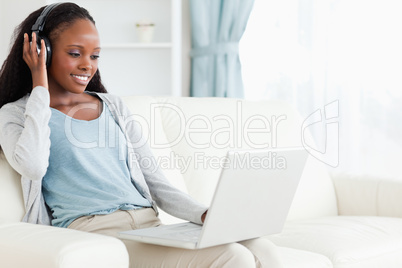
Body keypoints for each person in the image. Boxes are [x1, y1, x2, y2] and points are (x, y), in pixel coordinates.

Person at [0, 3, 283, 267]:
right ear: (41, 50)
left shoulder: (114, 106)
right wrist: (40, 87)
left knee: (262, 248)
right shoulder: (17, 114)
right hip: (97, 235)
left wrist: (205, 214)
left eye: (95, 55)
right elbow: (33, 165)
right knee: (232, 257)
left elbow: (156, 182)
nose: (88, 65)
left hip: (149, 227)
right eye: (75, 53)